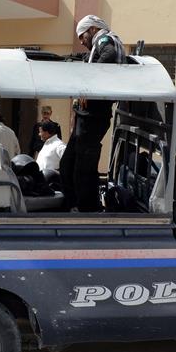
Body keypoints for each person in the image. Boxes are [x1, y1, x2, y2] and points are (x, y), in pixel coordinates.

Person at [59, 15, 126, 212]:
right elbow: (89, 58)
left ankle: (86, 208)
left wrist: (88, 87)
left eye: (82, 36)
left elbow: (109, 56)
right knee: (68, 163)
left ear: (93, 29)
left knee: (83, 166)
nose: (81, 41)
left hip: (94, 116)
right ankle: (73, 203)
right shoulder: (98, 45)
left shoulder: (104, 39)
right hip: (87, 117)